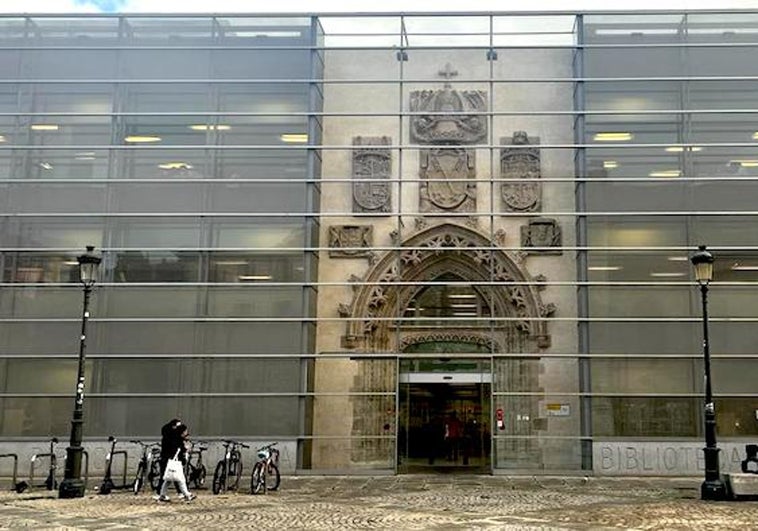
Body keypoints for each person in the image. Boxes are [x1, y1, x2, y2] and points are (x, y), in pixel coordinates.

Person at [156, 419, 196, 502]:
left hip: (171, 461)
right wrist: (185, 449)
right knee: (181, 479)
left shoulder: (171, 438)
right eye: (185, 431)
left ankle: (162, 495)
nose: (186, 433)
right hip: (176, 462)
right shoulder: (177, 441)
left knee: (168, 480)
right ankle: (187, 495)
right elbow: (179, 451)